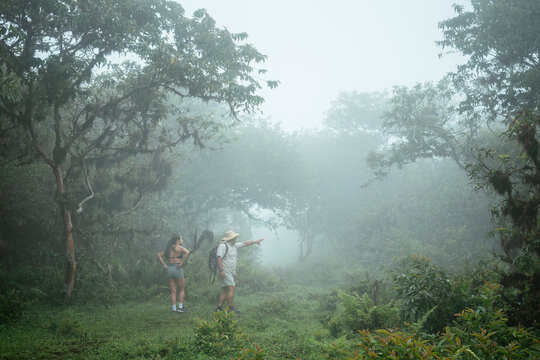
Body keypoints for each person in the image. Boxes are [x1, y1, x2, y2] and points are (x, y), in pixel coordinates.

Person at [215, 230, 263, 312]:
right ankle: (229, 309)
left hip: (229, 271)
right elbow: (218, 257)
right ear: (231, 238)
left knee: (226, 291)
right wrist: (221, 270)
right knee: (232, 288)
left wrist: (255, 241)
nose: (236, 239)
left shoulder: (234, 246)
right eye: (235, 238)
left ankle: (219, 308)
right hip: (224, 270)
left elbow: (245, 243)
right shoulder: (223, 246)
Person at [157, 234, 190, 312]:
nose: (182, 240)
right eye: (181, 239)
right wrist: (182, 264)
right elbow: (188, 253)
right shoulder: (180, 248)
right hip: (177, 268)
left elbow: (159, 255)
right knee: (182, 289)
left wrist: (164, 264)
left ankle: (174, 308)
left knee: (173, 290)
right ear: (177, 240)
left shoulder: (168, 248)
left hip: (169, 268)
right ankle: (180, 308)